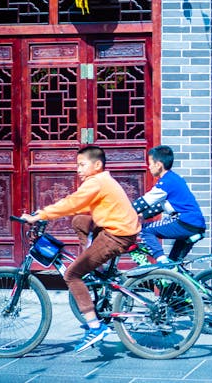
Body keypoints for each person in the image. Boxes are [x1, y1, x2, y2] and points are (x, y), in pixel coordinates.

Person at [21, 145, 140, 353]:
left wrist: (40, 215)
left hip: (116, 235)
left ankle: (95, 327)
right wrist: (47, 212)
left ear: (97, 165)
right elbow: (81, 207)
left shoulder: (97, 182)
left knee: (72, 274)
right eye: (77, 165)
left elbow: (73, 202)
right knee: (79, 221)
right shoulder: (102, 181)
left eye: (82, 165)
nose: (78, 169)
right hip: (116, 229)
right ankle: (95, 267)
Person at [133, 145, 206, 263]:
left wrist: (124, 213)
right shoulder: (174, 178)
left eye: (150, 163)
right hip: (195, 224)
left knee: (144, 230)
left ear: (158, 165)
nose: (149, 167)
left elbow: (144, 202)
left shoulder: (166, 182)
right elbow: (160, 206)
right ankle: (174, 276)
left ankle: (162, 261)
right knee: (174, 265)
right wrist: (142, 215)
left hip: (184, 222)